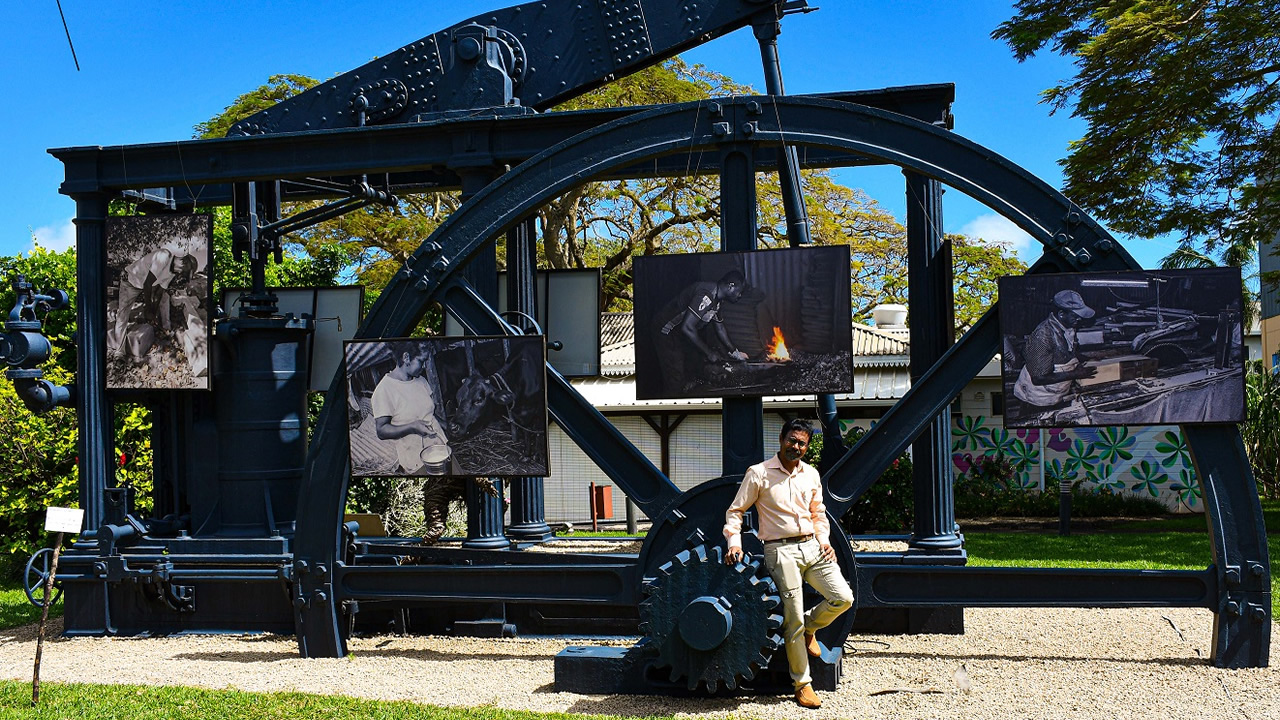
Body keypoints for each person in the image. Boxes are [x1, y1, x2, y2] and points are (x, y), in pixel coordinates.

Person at [723, 418, 854, 710]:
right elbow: (736, 511)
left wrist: (824, 540)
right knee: (791, 617)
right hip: (780, 551)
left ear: (807, 447)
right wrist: (735, 543)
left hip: (812, 547)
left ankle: (810, 628)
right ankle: (802, 684)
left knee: (843, 597)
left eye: (802, 443)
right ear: (782, 439)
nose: (796, 446)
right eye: (792, 440)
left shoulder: (811, 474)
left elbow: (818, 513)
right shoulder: (758, 473)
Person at [651, 269, 750, 396]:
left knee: (690, 369)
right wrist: (709, 353)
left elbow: (720, 328)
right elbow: (687, 327)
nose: (740, 296)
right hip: (665, 330)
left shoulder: (717, 302)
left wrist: (735, 352)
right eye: (740, 292)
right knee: (676, 375)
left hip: (679, 333)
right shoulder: (707, 295)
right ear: (731, 286)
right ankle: (672, 402)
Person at [1012, 289, 1098, 413]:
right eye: (1075, 315)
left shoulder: (1069, 327)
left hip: (1057, 392)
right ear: (1061, 314)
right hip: (1037, 398)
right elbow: (1039, 378)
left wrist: (1085, 358)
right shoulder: (1042, 336)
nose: (1079, 319)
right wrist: (1076, 374)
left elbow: (1065, 351)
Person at [371, 342, 448, 475]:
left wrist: (446, 425)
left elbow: (429, 413)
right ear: (406, 357)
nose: (424, 366)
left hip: (440, 447)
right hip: (417, 460)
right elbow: (381, 431)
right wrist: (412, 427)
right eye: (421, 361)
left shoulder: (421, 381)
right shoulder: (384, 390)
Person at [109, 242, 198, 356]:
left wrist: (153, 313)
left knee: (165, 297)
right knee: (123, 315)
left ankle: (166, 328)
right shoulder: (163, 256)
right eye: (184, 271)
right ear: (182, 262)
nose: (181, 274)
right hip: (130, 282)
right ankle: (119, 352)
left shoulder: (172, 273)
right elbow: (147, 284)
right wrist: (148, 310)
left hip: (143, 285)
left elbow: (158, 293)